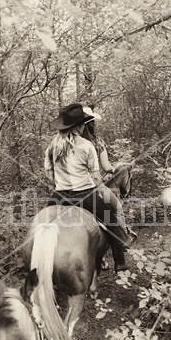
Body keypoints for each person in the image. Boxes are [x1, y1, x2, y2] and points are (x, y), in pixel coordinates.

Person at [44, 102, 128, 272]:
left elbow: (48, 174)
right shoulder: (86, 146)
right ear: (79, 126)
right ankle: (120, 263)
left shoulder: (53, 145)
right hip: (85, 196)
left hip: (59, 197)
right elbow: (96, 177)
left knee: (43, 227)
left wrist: (61, 185)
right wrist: (103, 192)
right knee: (111, 220)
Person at [82, 111, 132, 242]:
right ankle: (122, 239)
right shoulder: (97, 142)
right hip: (93, 186)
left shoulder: (71, 142)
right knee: (117, 208)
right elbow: (106, 167)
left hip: (70, 187)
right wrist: (116, 167)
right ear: (91, 124)